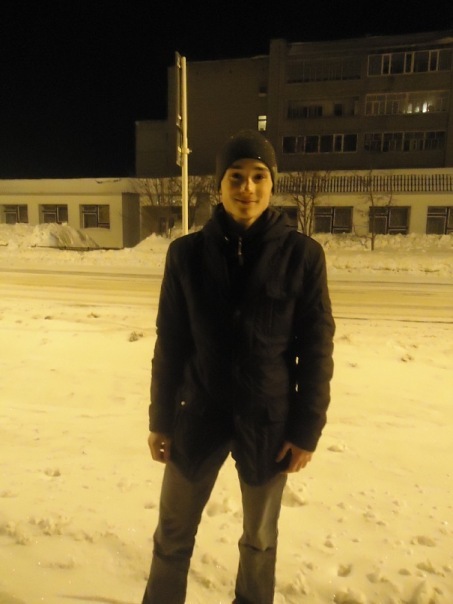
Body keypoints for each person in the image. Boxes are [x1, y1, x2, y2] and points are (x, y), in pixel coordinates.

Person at [141, 129, 335, 604]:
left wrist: (306, 429)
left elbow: (316, 349)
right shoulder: (185, 255)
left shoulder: (302, 256)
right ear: (219, 185)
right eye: (236, 176)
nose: (247, 187)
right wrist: (161, 419)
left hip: (267, 421)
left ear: (272, 184)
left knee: (260, 541)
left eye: (258, 176)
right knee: (171, 536)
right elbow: (171, 343)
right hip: (198, 415)